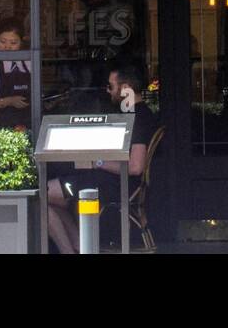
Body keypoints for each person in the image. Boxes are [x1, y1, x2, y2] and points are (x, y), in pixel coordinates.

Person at [46, 63, 158, 254]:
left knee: (41, 195)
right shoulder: (142, 113)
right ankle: (79, 247)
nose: (108, 91)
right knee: (53, 198)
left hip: (117, 185)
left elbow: (135, 167)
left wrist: (96, 161)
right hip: (113, 181)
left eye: (110, 86)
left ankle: (70, 250)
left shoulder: (136, 118)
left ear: (125, 89)